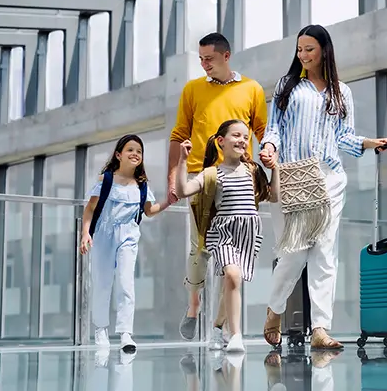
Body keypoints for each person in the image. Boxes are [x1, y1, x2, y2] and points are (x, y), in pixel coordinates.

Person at [259, 24, 387, 350]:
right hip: (294, 177)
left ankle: (320, 328)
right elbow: (274, 128)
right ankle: (275, 308)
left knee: (325, 255)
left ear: (324, 52)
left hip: (330, 178)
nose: (302, 55)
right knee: (293, 254)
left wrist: (369, 142)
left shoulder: (340, 92)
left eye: (309, 50)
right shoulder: (287, 86)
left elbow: (343, 136)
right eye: (299, 50)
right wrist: (269, 149)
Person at [168, 32, 268, 341]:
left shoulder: (252, 89)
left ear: (226, 56)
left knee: (235, 260)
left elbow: (264, 132)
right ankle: (194, 306)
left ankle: (222, 324)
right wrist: (174, 176)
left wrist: (270, 159)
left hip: (242, 177)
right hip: (203, 177)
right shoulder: (192, 89)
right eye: (200, 59)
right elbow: (179, 133)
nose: (204, 64)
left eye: (208, 58)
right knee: (199, 249)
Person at [172, 119, 278, 352]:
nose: (242, 140)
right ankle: (236, 335)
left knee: (232, 282)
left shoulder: (253, 171)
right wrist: (182, 161)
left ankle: (218, 328)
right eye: (236, 135)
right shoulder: (212, 173)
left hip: (248, 233)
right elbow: (182, 191)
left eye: (245, 136)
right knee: (231, 275)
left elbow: (273, 197)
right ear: (221, 141)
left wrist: (276, 169)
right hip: (223, 232)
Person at [78, 134, 171, 351]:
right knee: (102, 282)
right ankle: (100, 330)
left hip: (129, 236)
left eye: (139, 151)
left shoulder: (142, 185)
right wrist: (85, 234)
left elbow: (149, 211)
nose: (135, 154)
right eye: (130, 150)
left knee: (126, 282)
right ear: (119, 155)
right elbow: (90, 209)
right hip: (104, 235)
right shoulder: (106, 180)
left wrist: (168, 202)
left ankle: (125, 333)